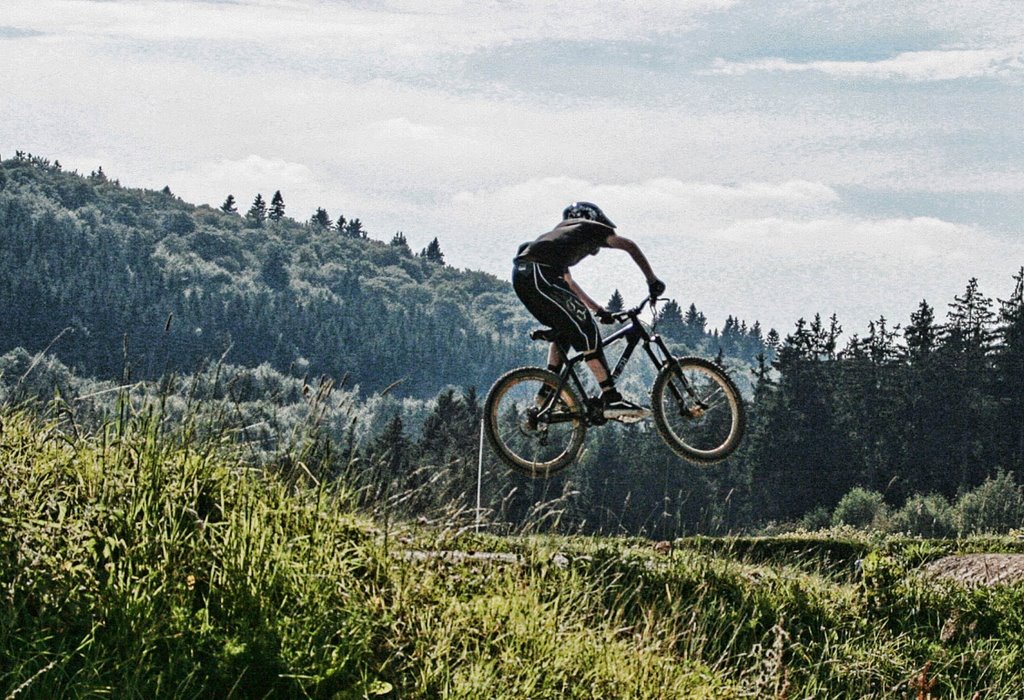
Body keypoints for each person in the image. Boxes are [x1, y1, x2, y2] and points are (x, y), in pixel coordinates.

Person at [512, 201, 666, 420]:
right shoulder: (588, 227)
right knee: (587, 330)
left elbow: (569, 285)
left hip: (524, 277)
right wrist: (652, 280)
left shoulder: (558, 242)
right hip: (540, 276)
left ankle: (546, 397)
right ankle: (612, 398)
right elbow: (629, 245)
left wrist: (599, 310)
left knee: (566, 327)